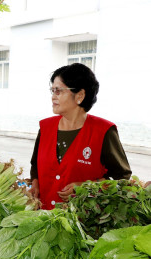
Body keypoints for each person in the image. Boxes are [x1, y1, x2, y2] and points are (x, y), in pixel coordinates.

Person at [30, 63, 131, 210]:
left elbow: (121, 178)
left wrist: (87, 186)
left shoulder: (104, 131)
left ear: (80, 95)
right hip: (44, 219)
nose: (53, 97)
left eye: (58, 91)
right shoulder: (45, 127)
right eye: (52, 91)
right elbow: (35, 165)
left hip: (82, 222)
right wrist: (35, 184)